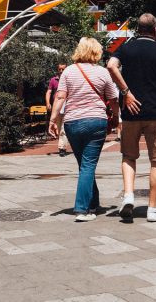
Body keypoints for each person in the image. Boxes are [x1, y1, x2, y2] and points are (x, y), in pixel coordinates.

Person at [107, 13, 156, 222]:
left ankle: (129, 196)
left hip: (131, 113)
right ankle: (152, 209)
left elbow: (111, 66)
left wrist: (126, 92)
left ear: (138, 29)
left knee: (129, 156)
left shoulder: (125, 48)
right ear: (155, 30)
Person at [48, 37, 120, 222]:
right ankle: (81, 209)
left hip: (72, 123)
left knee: (85, 165)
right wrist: (116, 117)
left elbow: (60, 97)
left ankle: (93, 202)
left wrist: (53, 119)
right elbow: (113, 100)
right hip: (96, 122)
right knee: (88, 165)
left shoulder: (69, 72)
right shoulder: (103, 73)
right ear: (96, 52)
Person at [46, 62, 69, 156]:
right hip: (57, 106)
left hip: (68, 105)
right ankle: (62, 146)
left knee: (64, 128)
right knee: (59, 127)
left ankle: (62, 148)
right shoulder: (53, 80)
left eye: (63, 69)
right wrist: (48, 103)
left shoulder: (69, 79)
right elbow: (49, 92)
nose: (61, 71)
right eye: (59, 69)